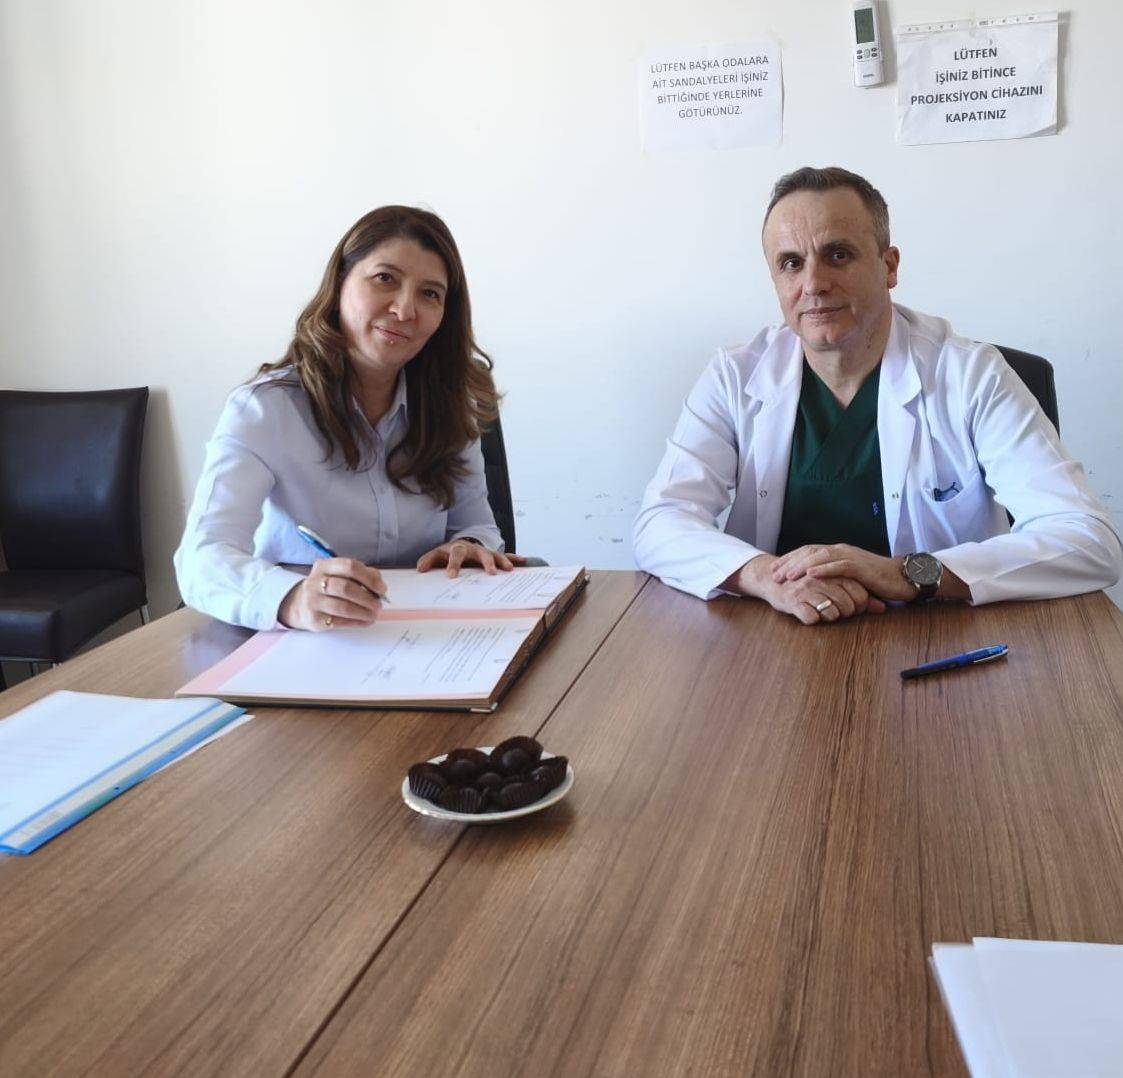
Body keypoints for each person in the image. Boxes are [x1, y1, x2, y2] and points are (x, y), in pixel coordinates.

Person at [634, 166, 1122, 624]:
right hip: (779, 629)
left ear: (889, 266)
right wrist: (765, 576)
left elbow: (1089, 541)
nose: (813, 284)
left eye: (838, 255)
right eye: (791, 263)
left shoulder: (972, 375)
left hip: (940, 637)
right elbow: (660, 521)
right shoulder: (733, 376)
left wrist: (907, 574)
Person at [175, 206, 522, 631]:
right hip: (307, 639)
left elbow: (476, 524)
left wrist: (468, 546)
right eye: (385, 279)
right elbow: (201, 558)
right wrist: (290, 599)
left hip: (428, 636)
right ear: (340, 282)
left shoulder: (451, 402)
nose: (405, 310)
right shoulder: (264, 409)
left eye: (430, 294)